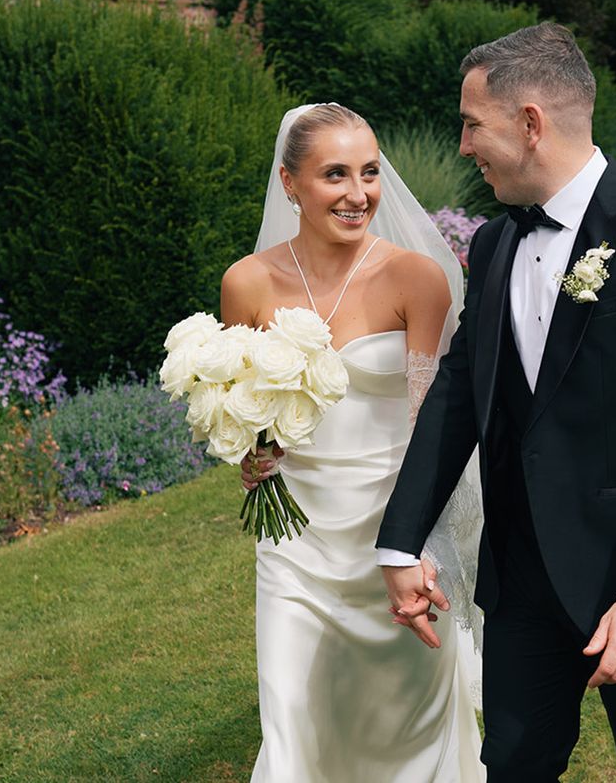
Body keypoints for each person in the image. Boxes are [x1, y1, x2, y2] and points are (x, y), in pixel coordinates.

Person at [378, 24, 616, 782]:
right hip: (523, 574)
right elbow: (458, 397)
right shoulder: (493, 243)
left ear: (531, 123)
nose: (462, 146)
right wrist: (401, 540)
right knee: (512, 762)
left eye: (471, 123)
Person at [223, 103, 484, 783]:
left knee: (404, 724)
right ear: (290, 183)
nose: (359, 193)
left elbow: (437, 422)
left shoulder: (414, 277)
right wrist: (253, 453)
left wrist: (422, 544)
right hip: (296, 543)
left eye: (369, 172)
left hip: (394, 525)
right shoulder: (245, 284)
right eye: (334, 174)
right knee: (293, 717)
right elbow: (247, 407)